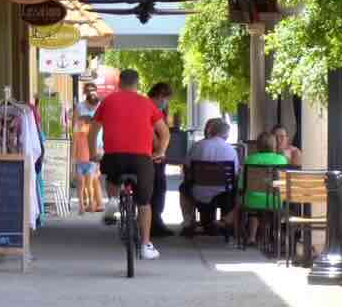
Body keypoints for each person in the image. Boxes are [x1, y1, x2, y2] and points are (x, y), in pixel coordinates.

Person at [92, 68, 169, 261]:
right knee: (144, 203)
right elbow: (164, 133)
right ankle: (145, 245)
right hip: (141, 159)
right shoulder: (147, 103)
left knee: (111, 174)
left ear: (119, 82)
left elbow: (93, 131)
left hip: (114, 156)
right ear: (137, 83)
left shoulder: (107, 101)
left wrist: (94, 152)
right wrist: (160, 152)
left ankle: (112, 200)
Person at [180, 117, 240, 236]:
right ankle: (226, 222)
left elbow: (186, 168)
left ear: (210, 131)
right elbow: (235, 174)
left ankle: (188, 221)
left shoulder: (197, 146)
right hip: (224, 194)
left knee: (183, 188)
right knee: (236, 190)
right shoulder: (231, 150)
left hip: (198, 191)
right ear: (226, 134)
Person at [241, 133, 291, 247]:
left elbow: (242, 184)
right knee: (269, 205)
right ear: (274, 145)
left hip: (252, 200)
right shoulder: (281, 160)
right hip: (275, 200)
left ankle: (252, 237)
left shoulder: (250, 159)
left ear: (258, 145)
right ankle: (273, 237)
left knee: (254, 209)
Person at [145, 82, 176, 238]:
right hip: (152, 155)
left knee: (155, 188)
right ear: (160, 95)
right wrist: (160, 150)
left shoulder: (153, 107)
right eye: (166, 98)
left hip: (149, 153)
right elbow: (152, 133)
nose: (166, 102)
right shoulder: (151, 108)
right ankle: (154, 222)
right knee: (158, 188)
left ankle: (154, 220)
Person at [71, 113, 102, 213]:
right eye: (78, 124)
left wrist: (97, 166)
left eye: (81, 124)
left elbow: (97, 149)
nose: (78, 126)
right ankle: (81, 206)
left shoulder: (91, 135)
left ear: (88, 125)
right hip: (80, 163)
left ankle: (91, 203)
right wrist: (72, 161)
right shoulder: (77, 135)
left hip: (90, 163)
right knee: (80, 186)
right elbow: (74, 148)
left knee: (89, 186)